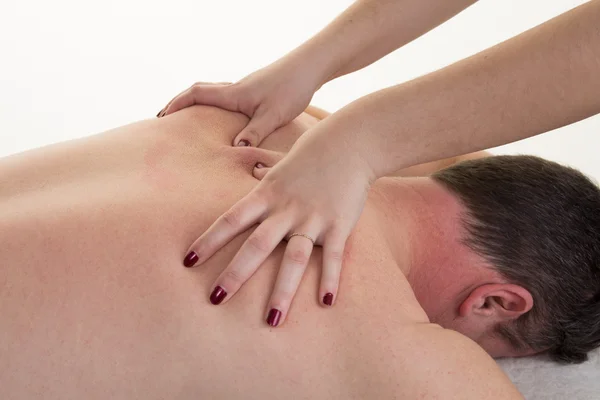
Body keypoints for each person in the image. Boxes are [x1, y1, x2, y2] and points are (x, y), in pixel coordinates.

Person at [1, 105, 598, 398]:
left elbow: (453, 161)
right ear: (497, 301)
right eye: (497, 348)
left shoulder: (265, 122)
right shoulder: (397, 349)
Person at [157, 0, 600, 331]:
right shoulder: (387, 337)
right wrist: (316, 76)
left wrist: (358, 136)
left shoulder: (279, 131)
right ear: (496, 302)